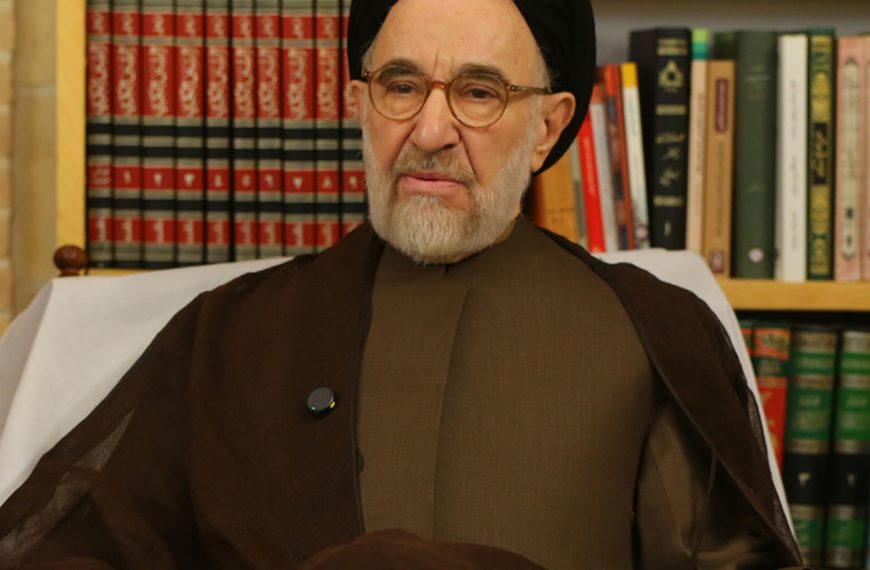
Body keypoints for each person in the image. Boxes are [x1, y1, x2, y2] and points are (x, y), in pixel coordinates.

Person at [0, 0, 805, 568]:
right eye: (402, 85)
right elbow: (81, 549)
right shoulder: (232, 334)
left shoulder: (653, 331)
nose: (430, 130)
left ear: (549, 127)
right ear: (360, 104)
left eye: (480, 92)